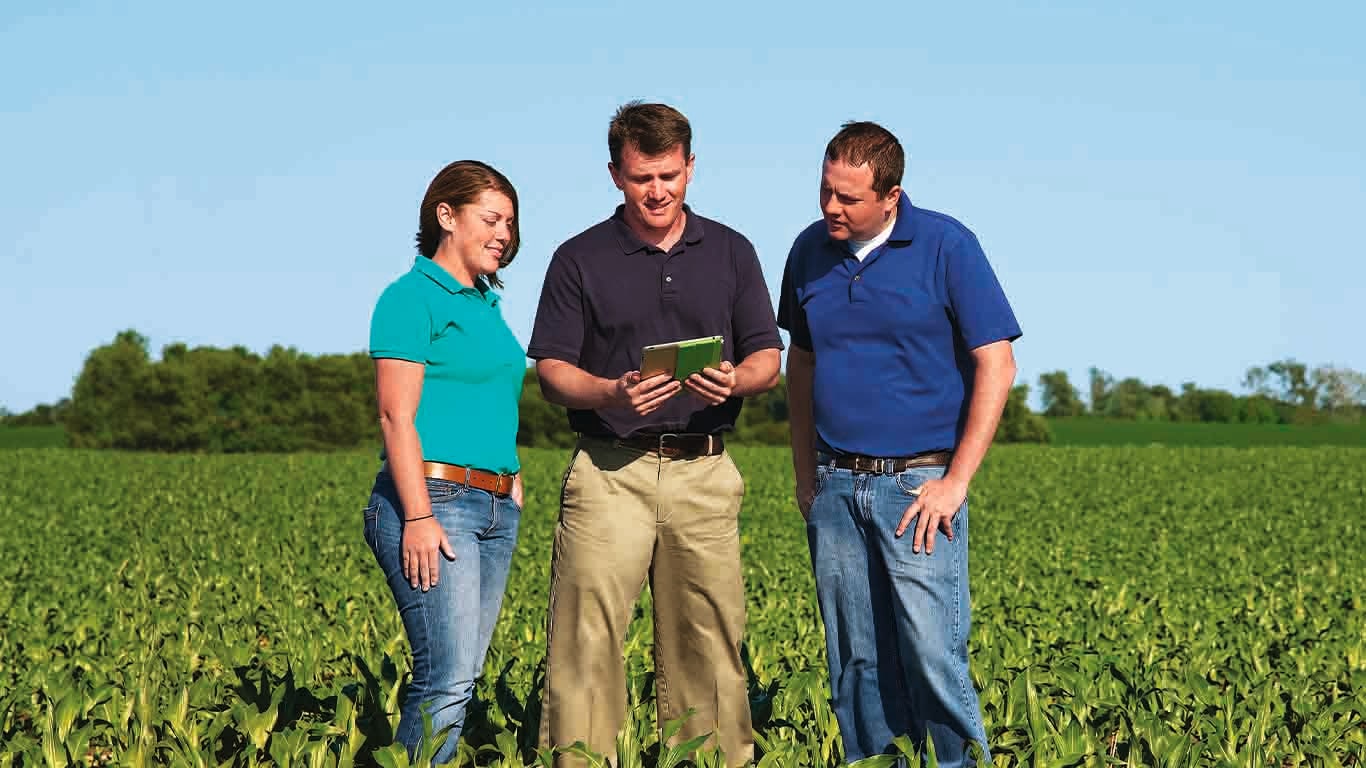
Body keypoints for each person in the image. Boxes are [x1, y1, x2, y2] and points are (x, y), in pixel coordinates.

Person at [528, 101, 782, 767]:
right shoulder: (577, 258)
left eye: (669, 175)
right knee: (586, 642)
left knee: (711, 642)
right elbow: (552, 370)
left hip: (705, 471)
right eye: (642, 177)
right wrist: (611, 391)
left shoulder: (732, 250)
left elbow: (767, 357)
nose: (658, 191)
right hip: (610, 473)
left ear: (691, 168)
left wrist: (736, 381)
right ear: (615, 174)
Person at [778, 121, 1020, 767]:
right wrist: (807, 474)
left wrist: (957, 481)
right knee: (854, 657)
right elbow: (799, 364)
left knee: (933, 651)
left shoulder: (946, 245)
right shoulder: (808, 250)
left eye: (849, 198)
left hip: (918, 487)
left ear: (891, 196)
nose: (832, 207)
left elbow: (996, 362)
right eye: (826, 191)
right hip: (835, 484)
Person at [362, 160, 527, 764]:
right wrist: (417, 515)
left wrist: (512, 477)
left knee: (464, 676)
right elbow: (395, 418)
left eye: (509, 222)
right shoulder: (409, 299)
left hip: (492, 507)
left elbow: (485, 396)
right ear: (446, 216)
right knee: (446, 678)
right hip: (435, 505)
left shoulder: (486, 302)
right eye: (490, 218)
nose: (503, 233)